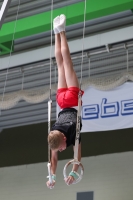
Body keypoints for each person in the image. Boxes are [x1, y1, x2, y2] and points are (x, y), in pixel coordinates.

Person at [46, 14, 84, 188]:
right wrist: (51, 177)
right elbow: (53, 158)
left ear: (63, 137)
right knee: (60, 65)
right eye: (60, 149)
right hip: (61, 101)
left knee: (67, 63)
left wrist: (74, 173)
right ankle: (56, 32)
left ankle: (62, 31)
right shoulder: (54, 136)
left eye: (61, 147)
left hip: (72, 101)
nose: (62, 150)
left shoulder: (69, 134)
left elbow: (77, 156)